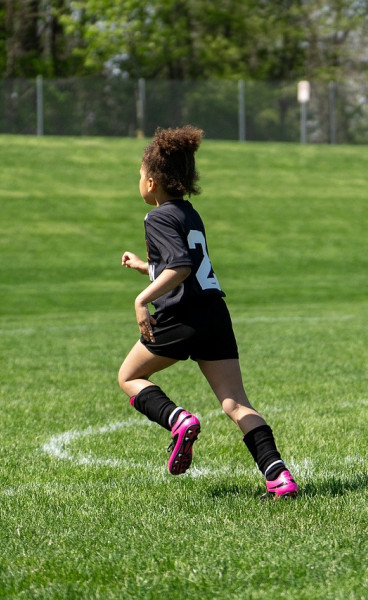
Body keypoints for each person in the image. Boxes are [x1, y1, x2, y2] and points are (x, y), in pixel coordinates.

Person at [117, 125, 298, 499]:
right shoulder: (188, 213)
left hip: (181, 315)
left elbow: (180, 267)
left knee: (129, 376)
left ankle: (177, 419)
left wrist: (140, 300)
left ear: (151, 182)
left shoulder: (156, 218)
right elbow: (182, 264)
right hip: (214, 314)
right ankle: (279, 478)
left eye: (139, 175)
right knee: (235, 402)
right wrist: (143, 266)